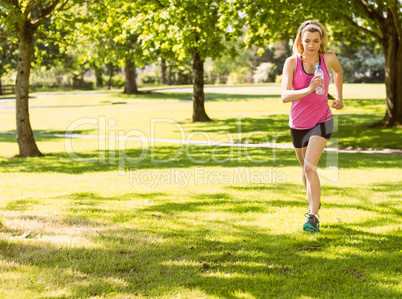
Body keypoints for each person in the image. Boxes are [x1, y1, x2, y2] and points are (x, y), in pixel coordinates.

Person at [281, 20, 343, 232]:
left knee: (310, 167)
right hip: (298, 124)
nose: (311, 45)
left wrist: (339, 98)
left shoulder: (329, 59)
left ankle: (313, 216)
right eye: (307, 40)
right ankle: (314, 203)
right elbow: (284, 96)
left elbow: (338, 72)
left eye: (316, 41)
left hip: (322, 120)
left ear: (321, 40)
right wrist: (308, 89)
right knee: (306, 170)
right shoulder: (291, 62)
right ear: (300, 40)